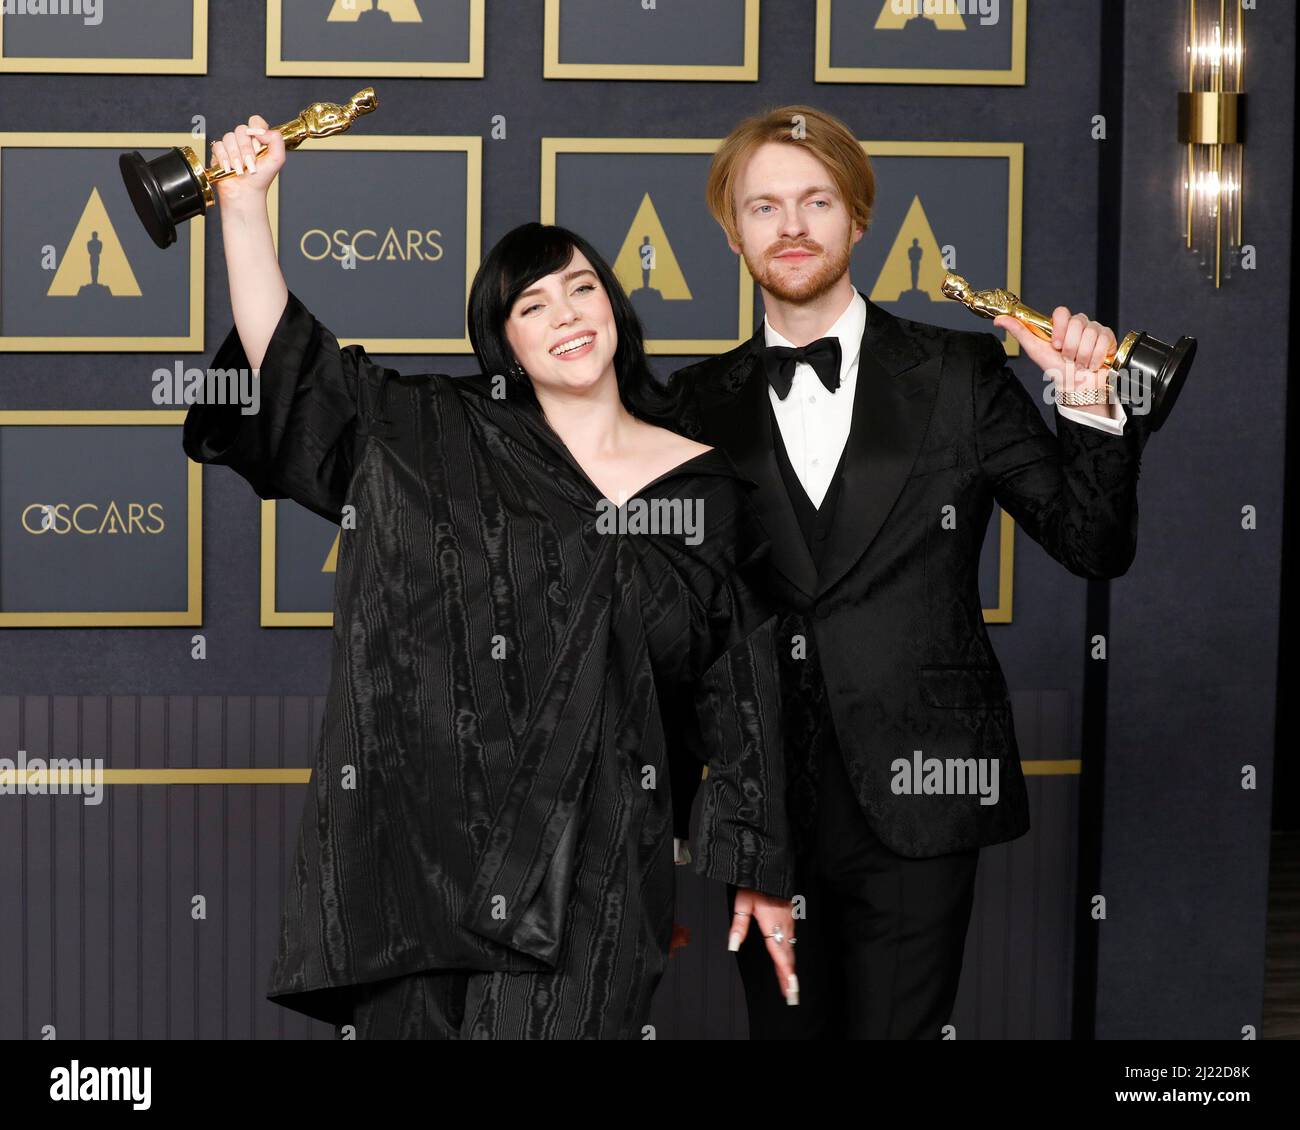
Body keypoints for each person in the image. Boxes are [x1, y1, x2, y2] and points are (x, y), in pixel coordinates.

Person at [182, 117, 797, 1039]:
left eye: (582, 289)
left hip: (596, 861)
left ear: (615, 311)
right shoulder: (442, 433)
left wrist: (760, 866)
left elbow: (741, 683)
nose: (568, 316)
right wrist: (244, 206)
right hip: (424, 846)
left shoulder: (706, 484)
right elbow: (299, 372)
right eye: (535, 305)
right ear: (505, 343)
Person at [668, 105, 1153, 1039]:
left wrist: (1090, 409)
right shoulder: (689, 402)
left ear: (858, 218)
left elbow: (1094, 545)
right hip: (762, 802)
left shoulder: (961, 371)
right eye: (764, 206)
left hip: (925, 787)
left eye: (817, 201)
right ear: (733, 232)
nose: (793, 225)